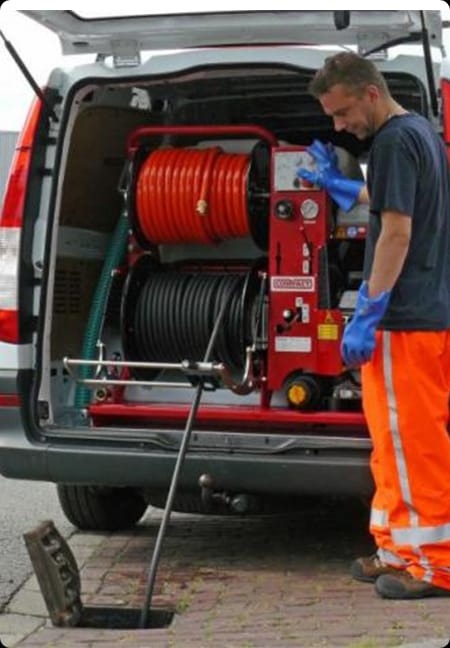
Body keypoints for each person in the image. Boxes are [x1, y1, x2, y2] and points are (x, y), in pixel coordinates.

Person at [297, 51, 450, 599]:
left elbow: (397, 232)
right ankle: (395, 548)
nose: (339, 126)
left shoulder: (389, 141)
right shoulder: (419, 134)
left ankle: (434, 565)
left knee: (414, 444)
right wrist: (338, 186)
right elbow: (387, 203)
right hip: (421, 316)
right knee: (390, 441)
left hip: (406, 320)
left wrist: (368, 311)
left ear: (368, 92)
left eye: (340, 114)